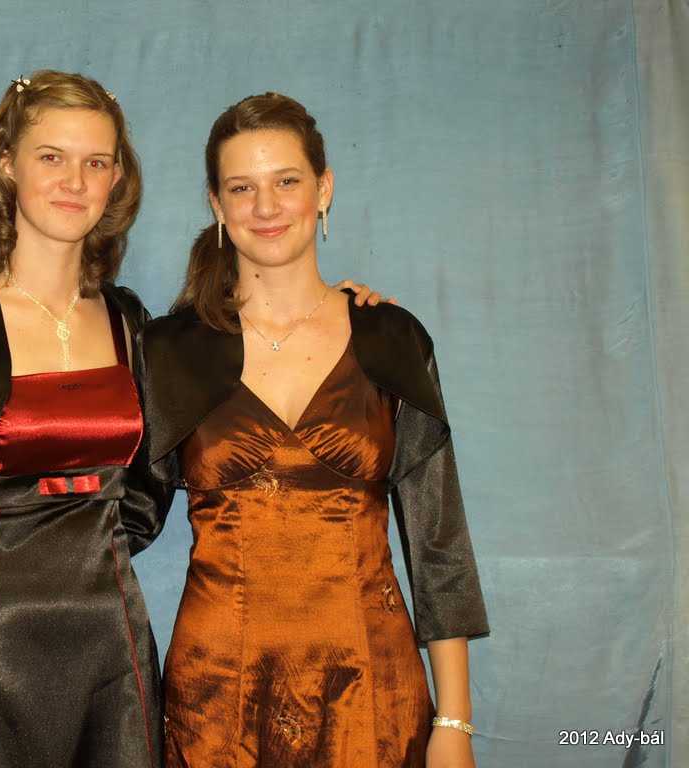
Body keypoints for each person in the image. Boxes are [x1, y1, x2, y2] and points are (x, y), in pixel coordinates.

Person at [0, 72, 388, 768]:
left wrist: (345, 312)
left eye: (96, 162)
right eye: (51, 156)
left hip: (110, 667)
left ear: (117, 179)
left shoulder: (135, 326)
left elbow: (157, 486)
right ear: (6, 164)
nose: (74, 181)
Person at [142, 93, 490, 768]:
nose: (265, 207)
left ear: (323, 190)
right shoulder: (167, 351)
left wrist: (455, 720)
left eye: (286, 181)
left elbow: (438, 542)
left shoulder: (391, 338)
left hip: (372, 691)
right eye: (242, 188)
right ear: (216, 204)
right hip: (216, 699)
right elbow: (112, 518)